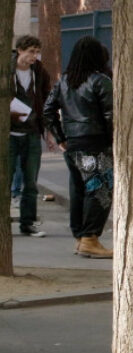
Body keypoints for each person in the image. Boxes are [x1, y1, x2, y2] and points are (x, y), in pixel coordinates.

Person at [43, 37, 113, 257]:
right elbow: (111, 114)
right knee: (100, 189)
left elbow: (48, 110)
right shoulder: (100, 80)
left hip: (73, 143)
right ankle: (90, 238)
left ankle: (81, 236)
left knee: (79, 190)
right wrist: (114, 140)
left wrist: (61, 136)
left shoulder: (64, 81)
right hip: (95, 143)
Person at [10, 35, 53, 238]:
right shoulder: (7, 69)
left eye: (36, 52)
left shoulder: (39, 72)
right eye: (30, 52)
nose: (34, 57)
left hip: (32, 132)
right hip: (9, 133)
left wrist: (48, 131)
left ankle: (27, 223)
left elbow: (46, 99)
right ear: (20, 50)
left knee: (30, 182)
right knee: (6, 178)